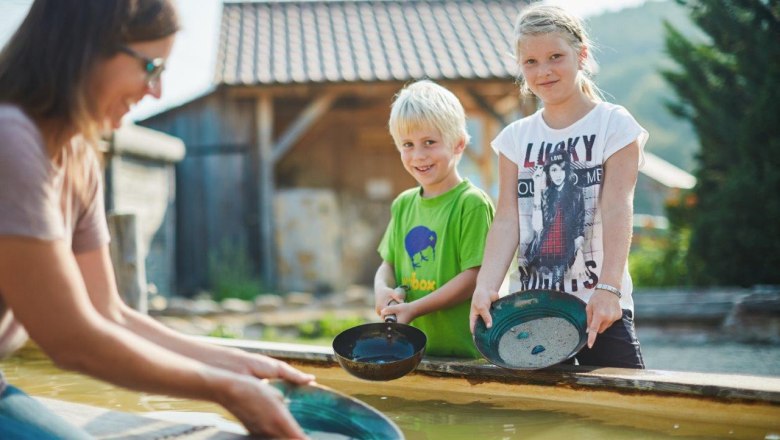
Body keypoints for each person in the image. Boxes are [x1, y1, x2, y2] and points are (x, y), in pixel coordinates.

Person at [0, 1, 313, 438]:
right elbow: (69, 338)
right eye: (151, 66)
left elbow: (108, 313)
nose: (158, 91)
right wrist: (226, 389)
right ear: (84, 48)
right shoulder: (11, 138)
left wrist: (238, 365)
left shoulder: (79, 155)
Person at [469, 5, 648, 368]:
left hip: (600, 307)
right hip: (531, 311)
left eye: (555, 57)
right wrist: (486, 285)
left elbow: (617, 207)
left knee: (625, 413)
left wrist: (609, 289)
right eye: (530, 62)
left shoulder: (614, 125)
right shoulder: (514, 139)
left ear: (581, 55)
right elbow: (507, 219)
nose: (543, 70)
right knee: (541, 420)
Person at [375, 80, 495, 359]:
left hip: (465, 355)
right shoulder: (403, 204)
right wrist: (382, 290)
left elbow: (474, 277)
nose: (419, 156)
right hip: (412, 353)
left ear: (458, 145)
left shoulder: (471, 204)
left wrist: (414, 309)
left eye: (429, 142)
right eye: (408, 144)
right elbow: (388, 264)